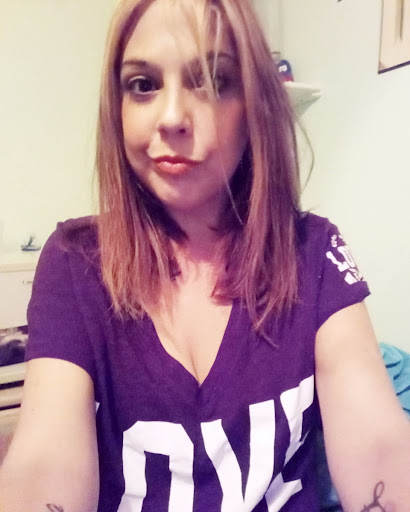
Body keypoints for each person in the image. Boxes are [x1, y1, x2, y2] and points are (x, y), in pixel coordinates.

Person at [0, 0, 409, 511]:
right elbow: (43, 464)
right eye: (143, 85)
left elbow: (380, 448)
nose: (172, 117)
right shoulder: (75, 263)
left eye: (213, 81)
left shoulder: (315, 253)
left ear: (254, 105)